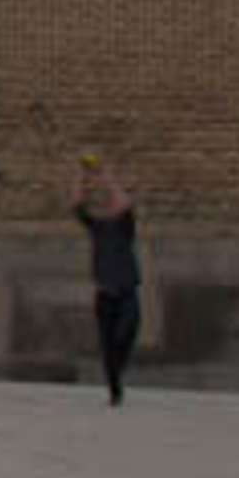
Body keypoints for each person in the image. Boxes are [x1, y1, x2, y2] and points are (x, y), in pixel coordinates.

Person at [72, 152, 141, 406]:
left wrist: (106, 177)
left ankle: (117, 370)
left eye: (112, 204)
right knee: (108, 344)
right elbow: (77, 205)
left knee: (127, 333)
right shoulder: (97, 228)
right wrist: (81, 176)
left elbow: (124, 203)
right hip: (104, 293)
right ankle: (115, 391)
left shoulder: (126, 227)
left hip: (127, 292)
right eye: (107, 204)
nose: (110, 206)